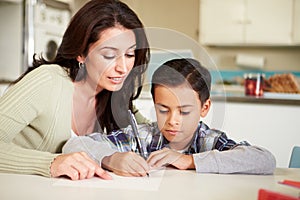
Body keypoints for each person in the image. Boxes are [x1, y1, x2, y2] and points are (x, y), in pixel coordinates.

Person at [0, 0, 150, 180]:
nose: (123, 68)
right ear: (81, 54)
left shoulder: (114, 94)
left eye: (130, 54)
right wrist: (51, 163)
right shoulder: (48, 81)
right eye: (109, 55)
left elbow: (153, 134)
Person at [63, 58, 276, 176]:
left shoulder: (208, 141)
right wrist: (111, 158)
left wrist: (190, 160)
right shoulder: (143, 138)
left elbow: (265, 160)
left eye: (184, 111)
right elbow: (74, 144)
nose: (173, 120)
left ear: (205, 107)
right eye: (163, 109)